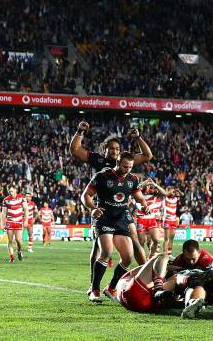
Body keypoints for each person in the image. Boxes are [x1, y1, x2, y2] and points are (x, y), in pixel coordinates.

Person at [70, 121, 152, 294]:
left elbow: (147, 155)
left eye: (117, 148)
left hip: (122, 209)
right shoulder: (99, 162)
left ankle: (143, 274)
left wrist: (137, 137)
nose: (114, 151)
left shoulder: (126, 164)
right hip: (103, 207)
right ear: (105, 150)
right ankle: (94, 285)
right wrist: (80, 132)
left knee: (135, 240)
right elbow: (75, 150)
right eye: (111, 148)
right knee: (100, 248)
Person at [81, 152, 151, 303]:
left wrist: (144, 206)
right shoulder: (102, 176)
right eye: (125, 166)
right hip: (104, 217)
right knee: (106, 251)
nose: (127, 169)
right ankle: (94, 290)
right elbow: (85, 196)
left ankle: (111, 287)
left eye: (130, 167)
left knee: (128, 258)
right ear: (117, 162)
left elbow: (139, 198)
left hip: (120, 219)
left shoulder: (133, 179)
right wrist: (93, 208)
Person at [1, 186, 29, 263]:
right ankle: (12, 257)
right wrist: (2, 223)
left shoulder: (22, 198)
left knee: (18, 240)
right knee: (10, 240)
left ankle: (19, 251)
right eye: (9, 191)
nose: (10, 193)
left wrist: (26, 221)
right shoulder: (6, 200)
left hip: (19, 221)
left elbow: (26, 210)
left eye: (12, 191)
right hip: (10, 222)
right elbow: (3, 213)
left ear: (15, 190)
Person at [162, 186, 183, 255]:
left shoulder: (175, 198)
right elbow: (165, 193)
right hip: (167, 219)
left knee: (172, 237)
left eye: (173, 191)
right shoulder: (165, 198)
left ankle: (169, 253)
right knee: (166, 238)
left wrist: (178, 191)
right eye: (172, 191)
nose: (173, 192)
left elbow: (182, 195)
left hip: (174, 220)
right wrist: (170, 191)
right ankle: (164, 253)